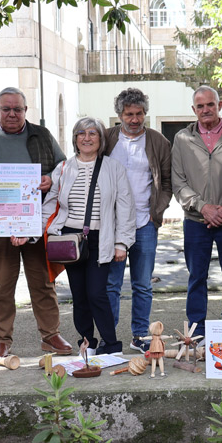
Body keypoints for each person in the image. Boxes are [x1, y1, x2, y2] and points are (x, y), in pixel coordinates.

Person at [0, 87, 72, 356]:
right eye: (6, 109)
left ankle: (50, 335)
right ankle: (2, 339)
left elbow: (63, 166)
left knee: (43, 282)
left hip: (35, 221)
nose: (12, 114)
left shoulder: (42, 135)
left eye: (17, 109)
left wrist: (50, 179)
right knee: (1, 285)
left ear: (25, 111)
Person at [43, 117, 135, 355]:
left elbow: (125, 208)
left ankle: (111, 345)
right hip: (69, 240)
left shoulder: (113, 168)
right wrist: (32, 233)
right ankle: (87, 343)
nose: (86, 138)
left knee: (97, 293)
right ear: (75, 139)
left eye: (92, 133)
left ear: (100, 139)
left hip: (100, 238)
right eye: (81, 133)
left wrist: (122, 243)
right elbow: (50, 204)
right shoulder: (64, 168)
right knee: (80, 295)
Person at [104, 88, 172, 353]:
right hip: (113, 225)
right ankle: (110, 338)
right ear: (119, 114)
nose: (134, 119)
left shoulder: (158, 141)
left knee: (142, 284)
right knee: (111, 284)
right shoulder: (107, 138)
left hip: (145, 222)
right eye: (129, 114)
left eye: (139, 113)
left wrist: (158, 211)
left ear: (145, 113)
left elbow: (166, 182)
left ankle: (140, 335)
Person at [172, 86, 222, 336]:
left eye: (210, 104)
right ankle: (196, 331)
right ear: (193, 110)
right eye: (200, 106)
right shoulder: (182, 139)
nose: (206, 110)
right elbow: (178, 181)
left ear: (220, 106)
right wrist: (203, 207)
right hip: (195, 221)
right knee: (196, 276)